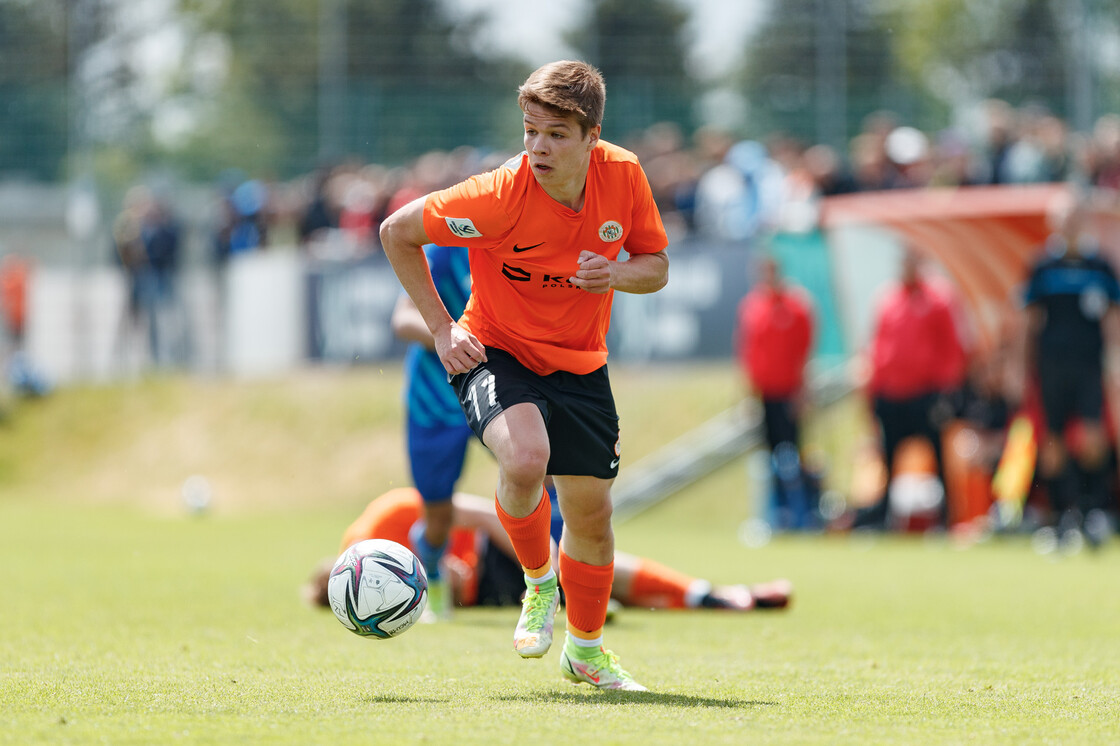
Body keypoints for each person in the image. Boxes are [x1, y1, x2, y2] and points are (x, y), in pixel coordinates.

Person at [379, 60, 670, 691]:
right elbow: (395, 231)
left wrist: (616, 274)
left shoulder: (623, 175)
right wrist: (440, 327)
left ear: (592, 136)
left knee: (592, 516)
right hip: (498, 350)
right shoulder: (497, 197)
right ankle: (539, 583)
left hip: (581, 363)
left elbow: (657, 264)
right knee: (524, 458)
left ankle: (586, 652)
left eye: (555, 134)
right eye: (530, 131)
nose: (537, 146)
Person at [304, 487, 793, 613]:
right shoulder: (373, 599)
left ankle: (717, 594)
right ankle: (704, 597)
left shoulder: (392, 513)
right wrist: (443, 589)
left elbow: (485, 514)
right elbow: (442, 594)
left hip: (499, 551)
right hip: (485, 593)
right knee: (601, 597)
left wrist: (536, 566)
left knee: (591, 568)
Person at [1016, 192, 1120, 548]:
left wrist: (1116, 362)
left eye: (1076, 217)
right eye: (1064, 218)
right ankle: (1061, 519)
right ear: (1055, 223)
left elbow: (1112, 317)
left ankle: (1093, 513)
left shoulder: (1100, 266)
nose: (1070, 224)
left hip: (1089, 364)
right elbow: (1029, 323)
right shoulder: (1042, 264)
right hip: (1051, 366)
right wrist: (1021, 367)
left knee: (1093, 438)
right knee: (1052, 442)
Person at [852, 248, 968, 530]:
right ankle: (887, 518)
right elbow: (878, 347)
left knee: (938, 458)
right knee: (889, 459)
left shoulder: (939, 299)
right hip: (891, 395)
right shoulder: (888, 299)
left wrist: (946, 391)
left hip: (925, 395)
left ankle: (947, 519)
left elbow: (951, 348)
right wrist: (872, 390)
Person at [389, 243, 475, 618]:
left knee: (544, 475)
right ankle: (433, 570)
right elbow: (403, 320)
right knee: (438, 515)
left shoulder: (522, 237)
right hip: (435, 399)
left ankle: (566, 584)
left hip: (500, 386)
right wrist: (452, 339)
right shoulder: (444, 251)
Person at [734, 255, 816, 529]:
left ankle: (800, 517)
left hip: (789, 394)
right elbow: (747, 354)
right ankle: (771, 517)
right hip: (763, 396)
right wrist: (748, 396)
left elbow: (804, 352)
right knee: (766, 459)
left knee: (793, 458)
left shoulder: (795, 306)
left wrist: (803, 392)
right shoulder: (752, 307)